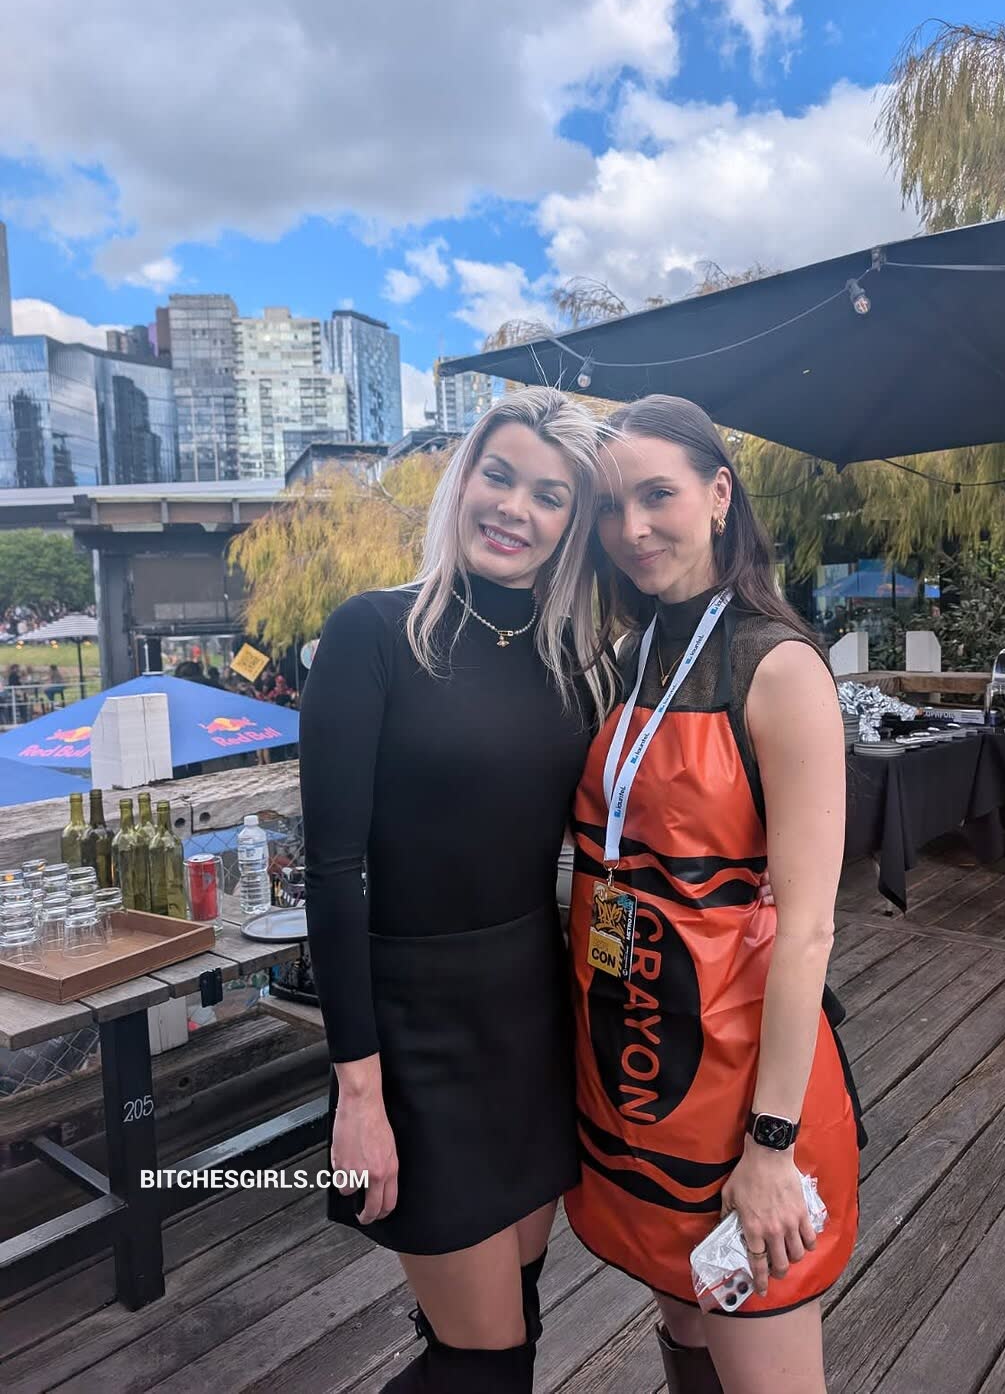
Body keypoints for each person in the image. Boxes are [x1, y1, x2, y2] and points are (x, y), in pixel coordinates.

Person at [299, 388, 618, 1392]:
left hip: (532, 1018)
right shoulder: (374, 634)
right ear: (464, 478)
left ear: (574, 522)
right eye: (500, 476)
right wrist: (359, 1094)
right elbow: (332, 875)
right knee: (488, 1361)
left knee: (510, 1320)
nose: (516, 508)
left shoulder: (576, 663)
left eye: (550, 495)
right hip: (414, 1033)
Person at [566, 396, 864, 1394]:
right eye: (610, 507)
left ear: (720, 495)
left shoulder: (779, 667)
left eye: (658, 495)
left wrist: (772, 1147)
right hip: (640, 1070)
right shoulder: (630, 652)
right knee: (685, 1324)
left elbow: (810, 929)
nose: (632, 528)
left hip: (745, 1095)